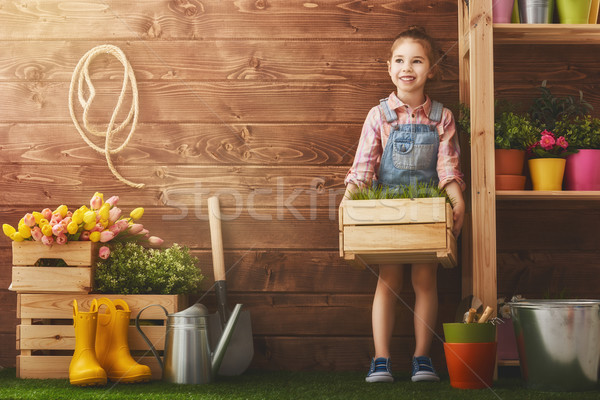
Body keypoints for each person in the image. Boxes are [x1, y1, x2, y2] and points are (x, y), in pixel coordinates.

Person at [342, 26, 466, 383]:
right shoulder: (379, 115)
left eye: (416, 60)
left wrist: (457, 201)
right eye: (399, 60)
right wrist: (349, 202)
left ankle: (421, 358)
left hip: (428, 210)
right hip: (388, 211)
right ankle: (381, 359)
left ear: (431, 69)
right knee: (389, 279)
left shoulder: (442, 116)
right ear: (389, 67)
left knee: (425, 279)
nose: (406, 67)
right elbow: (364, 166)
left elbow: (448, 165)